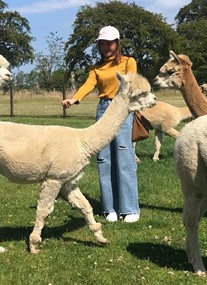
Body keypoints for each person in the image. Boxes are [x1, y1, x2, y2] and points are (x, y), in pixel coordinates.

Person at [62, 26, 140, 223]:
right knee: (104, 158)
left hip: (122, 108)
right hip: (104, 109)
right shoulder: (96, 68)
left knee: (123, 153)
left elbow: (132, 83)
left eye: (110, 42)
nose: (106, 46)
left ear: (117, 43)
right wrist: (74, 99)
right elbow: (88, 85)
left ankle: (130, 208)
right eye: (102, 43)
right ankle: (109, 208)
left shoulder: (129, 62)